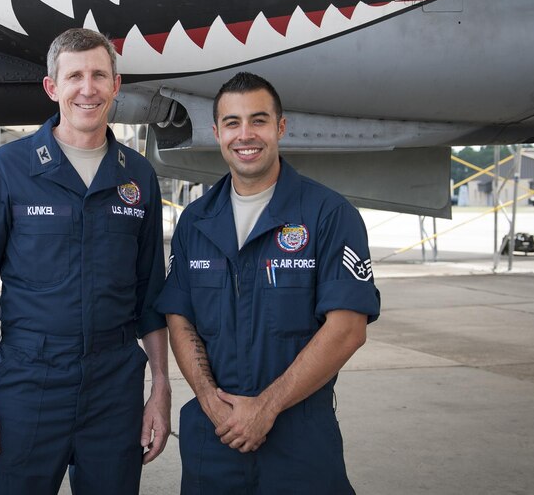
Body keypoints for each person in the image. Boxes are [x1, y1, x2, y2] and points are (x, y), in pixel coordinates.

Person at [0, 28, 171, 494]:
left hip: (114, 386)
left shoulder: (139, 176)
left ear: (116, 85)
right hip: (29, 381)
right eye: (75, 77)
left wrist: (161, 388)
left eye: (98, 76)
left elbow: (152, 294)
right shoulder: (9, 169)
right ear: (53, 87)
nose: (88, 89)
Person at [156, 72, 380, 494]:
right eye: (233, 123)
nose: (246, 135)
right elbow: (179, 317)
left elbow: (348, 328)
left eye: (258, 121)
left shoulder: (328, 215)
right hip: (216, 434)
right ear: (217, 132)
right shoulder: (196, 222)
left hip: (299, 437)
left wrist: (266, 407)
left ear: (280, 127)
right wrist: (207, 399)